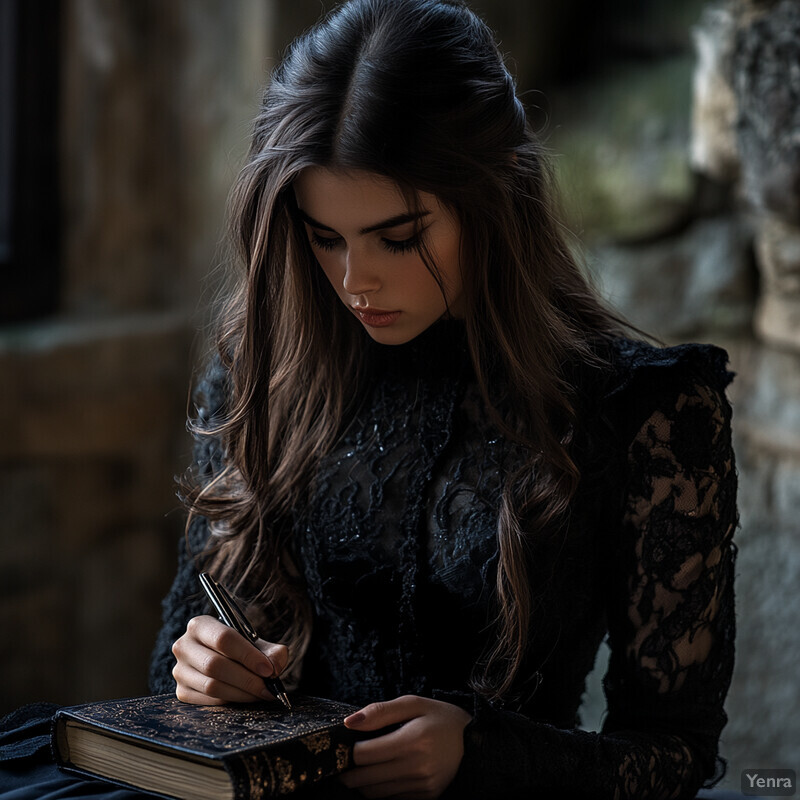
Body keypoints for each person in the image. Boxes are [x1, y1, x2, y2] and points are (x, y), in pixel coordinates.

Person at [0, 0, 742, 798]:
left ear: (496, 199)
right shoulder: (267, 372)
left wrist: (484, 754)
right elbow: (175, 666)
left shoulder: (650, 415)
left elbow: (675, 756)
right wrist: (205, 666)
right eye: (326, 238)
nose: (356, 281)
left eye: (398, 237)